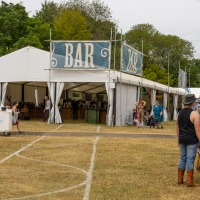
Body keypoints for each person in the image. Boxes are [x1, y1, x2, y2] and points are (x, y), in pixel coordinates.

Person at [176, 94, 200, 187]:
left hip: (182, 139)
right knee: (190, 159)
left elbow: (177, 127)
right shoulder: (195, 114)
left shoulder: (179, 113)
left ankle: (180, 179)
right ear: (193, 103)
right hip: (191, 140)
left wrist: (178, 139)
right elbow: (197, 130)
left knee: (183, 158)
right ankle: (189, 181)